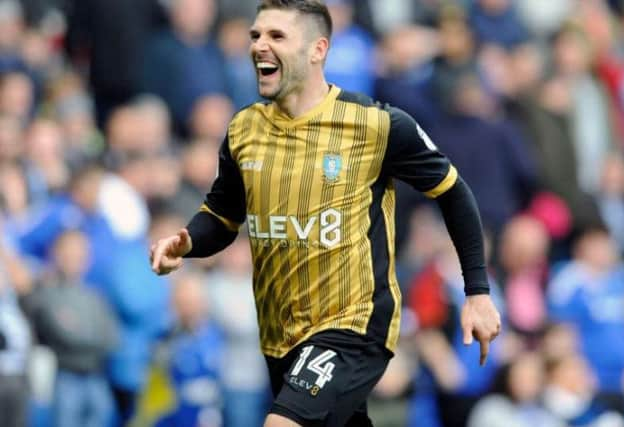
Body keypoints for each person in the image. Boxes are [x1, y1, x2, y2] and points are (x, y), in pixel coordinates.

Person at [149, 1, 501, 426]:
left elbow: (453, 192)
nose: (260, 45)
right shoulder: (244, 129)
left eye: (277, 36)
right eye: (256, 35)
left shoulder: (374, 125)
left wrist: (477, 291)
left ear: (318, 50)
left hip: (354, 325)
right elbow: (223, 217)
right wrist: (187, 241)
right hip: (281, 335)